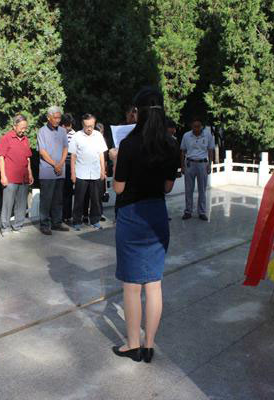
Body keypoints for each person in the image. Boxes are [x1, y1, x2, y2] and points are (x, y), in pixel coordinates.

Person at [110, 87, 179, 363]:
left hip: (131, 216)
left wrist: (116, 161)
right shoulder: (170, 144)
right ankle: (149, 345)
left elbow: (118, 188)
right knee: (153, 284)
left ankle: (133, 345)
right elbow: (168, 186)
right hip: (157, 215)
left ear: (137, 113)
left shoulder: (128, 144)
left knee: (131, 286)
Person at [70, 114, 107, 231]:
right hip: (81, 173)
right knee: (79, 200)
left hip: (96, 172)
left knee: (96, 199)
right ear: (82, 124)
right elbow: (73, 156)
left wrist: (103, 170)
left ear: (94, 124)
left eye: (91, 125)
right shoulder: (77, 136)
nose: (89, 128)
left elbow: (101, 154)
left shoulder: (98, 136)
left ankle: (95, 220)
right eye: (87, 126)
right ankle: (77, 221)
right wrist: (72, 173)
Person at [0, 114, 34, 233]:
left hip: (23, 177)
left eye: (25, 128)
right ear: (14, 126)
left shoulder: (26, 139)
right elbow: (1, 157)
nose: (23, 130)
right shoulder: (6, 138)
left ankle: (18, 225)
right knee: (8, 204)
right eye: (21, 127)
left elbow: (28, 158)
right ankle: (5, 227)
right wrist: (3, 176)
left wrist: (30, 173)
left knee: (21, 204)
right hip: (10, 177)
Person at [37, 106, 70, 235]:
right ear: (48, 117)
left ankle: (57, 223)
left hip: (60, 170)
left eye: (59, 118)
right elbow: (42, 151)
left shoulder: (62, 131)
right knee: (46, 199)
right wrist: (54, 164)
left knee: (58, 199)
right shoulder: (42, 131)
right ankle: (45, 224)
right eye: (55, 118)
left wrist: (60, 163)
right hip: (47, 171)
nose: (57, 120)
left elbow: (65, 148)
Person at [180, 116, 215, 221]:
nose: (196, 128)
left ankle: (202, 212)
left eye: (198, 126)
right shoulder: (186, 136)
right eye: (194, 126)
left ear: (202, 126)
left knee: (202, 190)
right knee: (188, 190)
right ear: (191, 126)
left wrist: (210, 164)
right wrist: (182, 166)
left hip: (202, 164)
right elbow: (183, 151)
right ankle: (188, 211)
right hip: (189, 164)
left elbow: (210, 150)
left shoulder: (208, 135)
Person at [61, 113, 75, 224]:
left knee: (68, 192)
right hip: (58, 165)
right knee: (58, 192)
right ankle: (58, 215)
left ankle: (67, 215)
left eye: (69, 125)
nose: (68, 128)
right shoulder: (56, 133)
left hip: (69, 165)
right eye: (66, 126)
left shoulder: (74, 135)